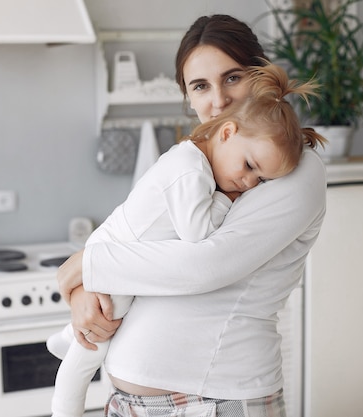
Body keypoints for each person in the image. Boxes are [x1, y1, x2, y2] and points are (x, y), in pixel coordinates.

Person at [57, 14, 328, 417]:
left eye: (232, 77)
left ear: (261, 76)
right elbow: (140, 242)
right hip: (128, 403)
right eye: (200, 86)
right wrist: (84, 291)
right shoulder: (194, 168)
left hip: (216, 400)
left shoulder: (293, 168)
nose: (217, 101)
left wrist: (88, 264)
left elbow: (205, 265)